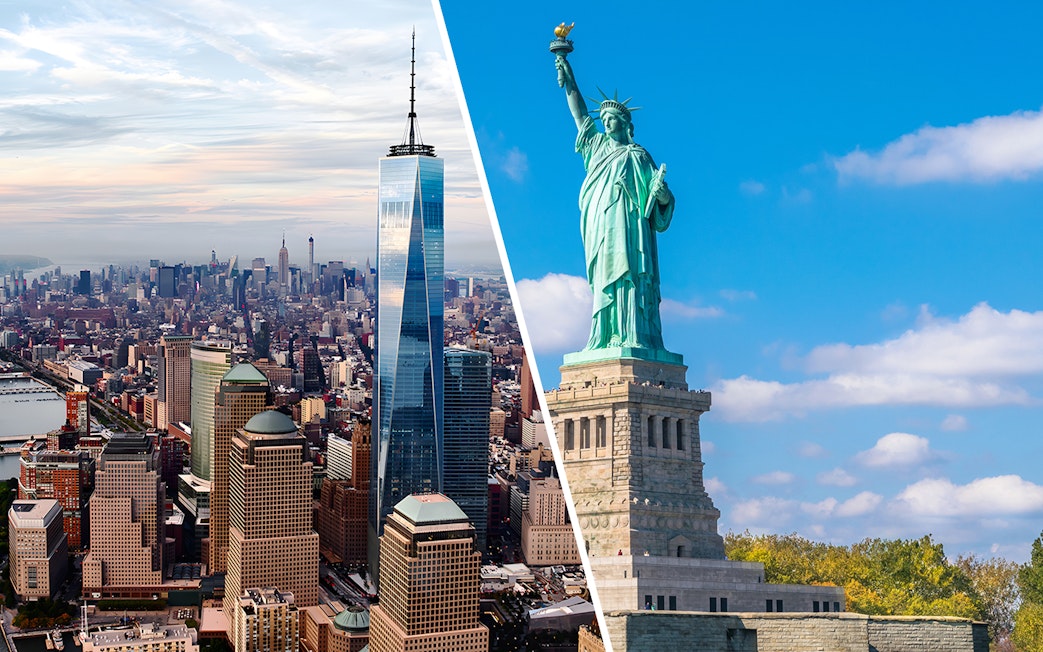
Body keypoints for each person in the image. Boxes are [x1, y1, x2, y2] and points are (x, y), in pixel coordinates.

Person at [556, 54, 675, 352]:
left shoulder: (639, 155)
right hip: (601, 224)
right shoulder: (595, 146)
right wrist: (568, 76)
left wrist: (661, 194)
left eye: (612, 120)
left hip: (632, 228)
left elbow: (661, 201)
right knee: (604, 277)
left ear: (625, 124)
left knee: (631, 276)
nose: (606, 123)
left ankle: (634, 335)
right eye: (604, 120)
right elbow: (579, 114)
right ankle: (604, 335)